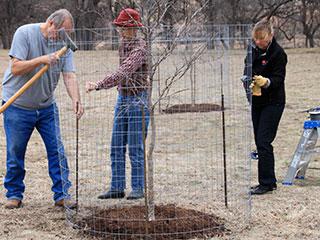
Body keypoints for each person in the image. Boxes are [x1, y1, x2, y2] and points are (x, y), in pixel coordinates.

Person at [2, 9, 84, 209]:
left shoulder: (64, 46)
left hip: (47, 107)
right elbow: (16, 67)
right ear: (50, 23)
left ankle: (62, 194)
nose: (63, 38)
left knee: (57, 150)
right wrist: (42, 59)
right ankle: (14, 194)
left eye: (67, 34)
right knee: (15, 151)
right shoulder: (24, 33)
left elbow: (69, 75)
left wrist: (76, 98)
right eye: (61, 32)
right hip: (18, 105)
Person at [86, 8, 149, 200]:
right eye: (119, 27)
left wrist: (98, 85)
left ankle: (138, 188)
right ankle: (117, 187)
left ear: (134, 28)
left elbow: (123, 72)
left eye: (124, 27)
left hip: (138, 100)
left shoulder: (140, 49)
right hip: (122, 98)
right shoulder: (123, 44)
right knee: (116, 145)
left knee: (135, 146)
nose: (121, 31)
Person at [243, 18, 287, 195]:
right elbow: (246, 72)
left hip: (273, 103)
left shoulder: (279, 54)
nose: (258, 42)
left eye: (262, 38)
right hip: (257, 102)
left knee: (263, 141)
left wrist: (266, 82)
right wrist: (250, 86)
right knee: (260, 141)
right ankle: (268, 181)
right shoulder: (252, 51)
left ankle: (267, 183)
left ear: (270, 35)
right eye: (256, 39)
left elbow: (278, 79)